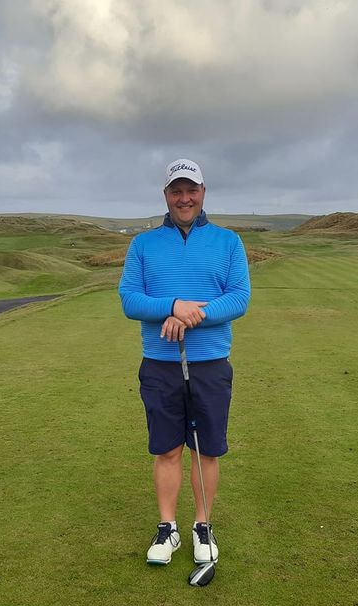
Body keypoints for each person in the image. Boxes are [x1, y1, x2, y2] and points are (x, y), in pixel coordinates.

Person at [119, 159, 251, 567]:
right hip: (160, 364)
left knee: (205, 451)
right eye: (176, 191)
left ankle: (202, 526)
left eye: (191, 190)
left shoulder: (228, 242)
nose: (184, 198)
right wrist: (172, 305)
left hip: (210, 363)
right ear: (166, 196)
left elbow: (239, 297)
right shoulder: (143, 245)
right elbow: (130, 299)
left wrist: (193, 315)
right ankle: (168, 528)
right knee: (167, 450)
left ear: (203, 192)